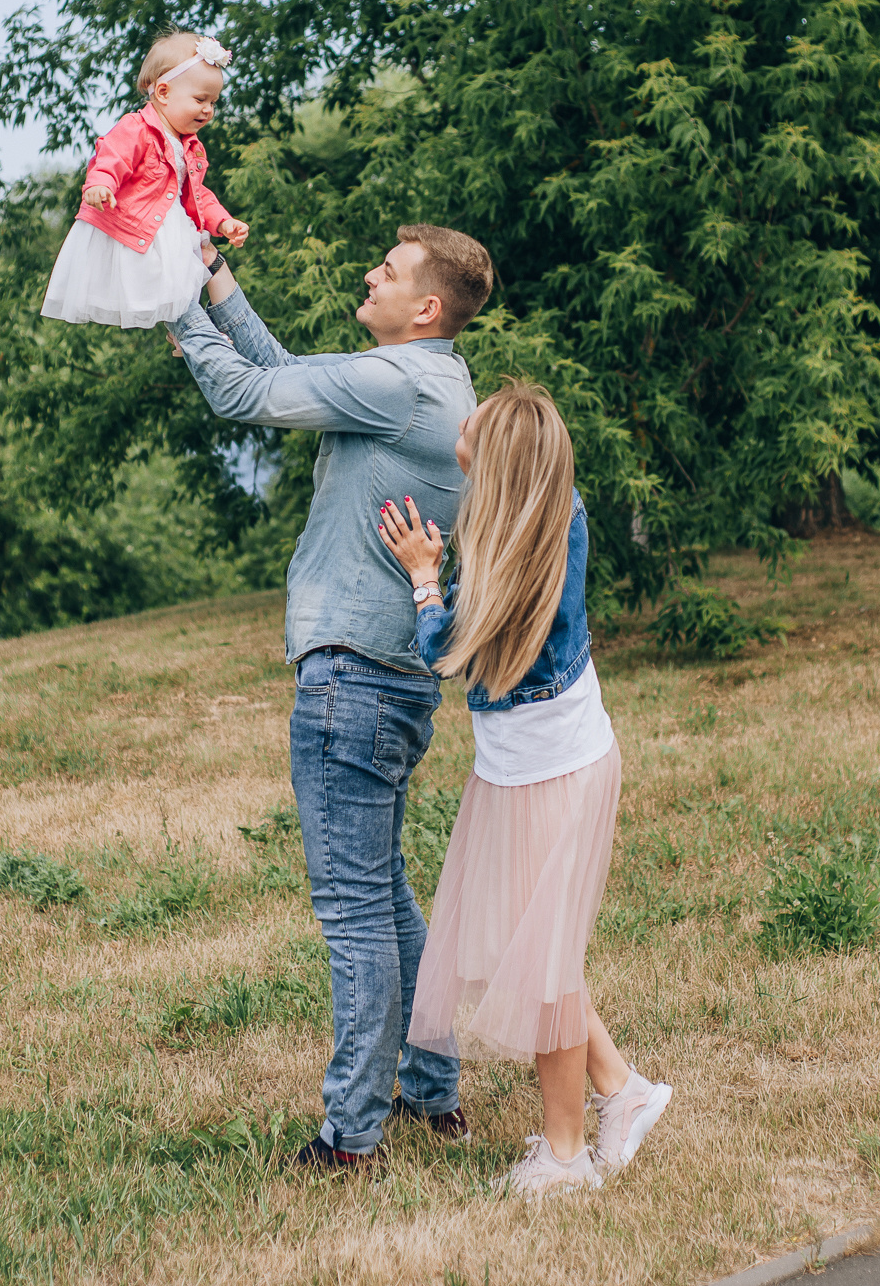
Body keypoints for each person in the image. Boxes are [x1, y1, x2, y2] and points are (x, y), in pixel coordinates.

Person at [169, 225, 494, 1168]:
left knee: (353, 912)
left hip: (349, 676)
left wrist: (167, 307)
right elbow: (283, 373)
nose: (368, 275)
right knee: (383, 891)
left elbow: (241, 392)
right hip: (391, 681)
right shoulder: (431, 384)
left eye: (386, 272)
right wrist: (212, 275)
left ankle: (350, 1136)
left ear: (424, 306)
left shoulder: (396, 387)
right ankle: (430, 1090)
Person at [378, 383, 672, 1197]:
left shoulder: (506, 560)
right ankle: (623, 1091)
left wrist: (424, 578)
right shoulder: (550, 510)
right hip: (536, 761)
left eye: (469, 425)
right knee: (527, 949)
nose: (458, 423)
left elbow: (449, 649)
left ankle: (566, 1155)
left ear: (496, 463)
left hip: (545, 772)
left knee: (543, 966)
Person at [41, 31, 250, 329]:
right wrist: (100, 184)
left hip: (173, 229)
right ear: (163, 93)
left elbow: (198, 193)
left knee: (182, 288)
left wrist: (222, 222)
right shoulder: (137, 128)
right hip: (137, 225)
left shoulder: (190, 146)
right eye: (200, 99)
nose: (208, 109)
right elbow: (112, 156)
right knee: (161, 286)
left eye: (213, 102)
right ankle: (189, 334)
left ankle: (187, 336)